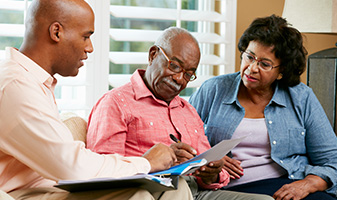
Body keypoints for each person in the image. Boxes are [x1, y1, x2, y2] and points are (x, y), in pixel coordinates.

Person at [0, 0, 193, 199]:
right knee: (137, 194)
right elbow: (71, 167)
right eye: (86, 36)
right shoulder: (15, 86)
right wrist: (146, 163)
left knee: (175, 187)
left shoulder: (34, 81)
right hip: (24, 194)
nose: (90, 48)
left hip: (51, 187)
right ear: (57, 32)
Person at [87, 26, 274, 200]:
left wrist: (213, 172)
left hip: (197, 191)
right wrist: (158, 163)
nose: (179, 79)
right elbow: (103, 171)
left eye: (188, 74)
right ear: (153, 55)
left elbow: (208, 168)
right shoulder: (116, 103)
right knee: (178, 186)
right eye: (175, 66)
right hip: (151, 191)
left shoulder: (188, 110)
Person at [189, 15, 337, 200]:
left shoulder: (301, 97)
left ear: (281, 71)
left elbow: (333, 160)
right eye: (249, 57)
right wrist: (209, 159)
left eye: (264, 64)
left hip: (287, 183)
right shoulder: (214, 89)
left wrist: (307, 184)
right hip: (229, 188)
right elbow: (179, 139)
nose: (252, 68)